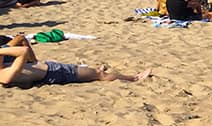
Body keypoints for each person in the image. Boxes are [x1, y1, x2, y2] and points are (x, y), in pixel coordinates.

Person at [1, 35, 151, 87]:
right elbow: (24, 51)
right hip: (56, 74)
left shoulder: (4, 65)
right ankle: (133, 78)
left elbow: (20, 39)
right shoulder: (5, 75)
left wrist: (34, 61)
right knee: (99, 74)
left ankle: (95, 71)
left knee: (91, 71)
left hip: (52, 68)